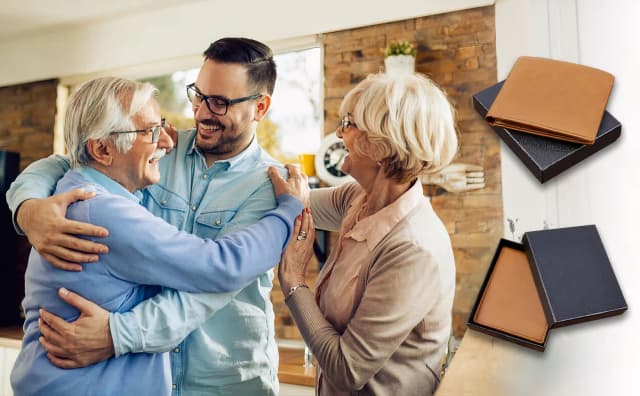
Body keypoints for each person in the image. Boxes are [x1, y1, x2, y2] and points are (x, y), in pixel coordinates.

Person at [6, 38, 297, 395]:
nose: (203, 112)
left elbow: (215, 277)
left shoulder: (274, 186)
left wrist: (118, 334)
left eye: (219, 102)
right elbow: (74, 155)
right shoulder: (157, 154)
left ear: (260, 107)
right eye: (198, 95)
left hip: (220, 382)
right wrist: (28, 207)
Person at [274, 72, 458, 395]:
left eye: (348, 123)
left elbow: (347, 369)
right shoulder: (357, 199)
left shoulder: (413, 250)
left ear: (381, 144)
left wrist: (294, 282)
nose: (338, 133)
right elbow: (290, 201)